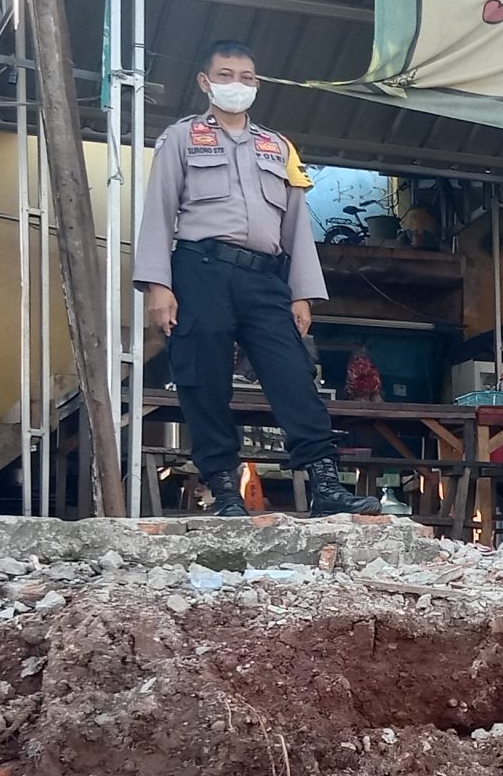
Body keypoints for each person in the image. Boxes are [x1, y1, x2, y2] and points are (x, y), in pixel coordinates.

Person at [135, 40, 376, 517]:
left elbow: (295, 224)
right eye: (225, 76)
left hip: (265, 277)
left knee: (293, 375)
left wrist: (303, 293)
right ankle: (225, 493)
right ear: (205, 82)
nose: (236, 86)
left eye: (246, 78)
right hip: (199, 270)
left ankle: (325, 487)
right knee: (203, 379)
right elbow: (159, 213)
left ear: (257, 85)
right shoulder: (182, 138)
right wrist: (157, 286)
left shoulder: (278, 147)